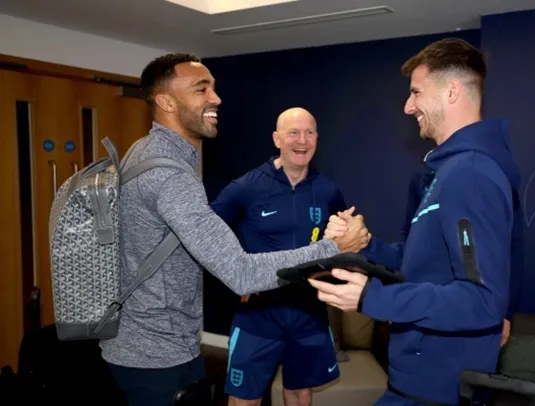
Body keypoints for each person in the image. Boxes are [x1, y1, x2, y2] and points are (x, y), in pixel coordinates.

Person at [99, 53, 369, 406]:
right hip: (154, 354)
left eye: (213, 87)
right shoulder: (172, 176)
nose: (216, 98)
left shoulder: (144, 152)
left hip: (155, 344)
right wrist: (333, 247)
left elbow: (203, 242)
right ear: (165, 101)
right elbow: (241, 272)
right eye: (201, 89)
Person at [309, 38, 523, 405]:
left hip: (438, 390)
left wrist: (372, 297)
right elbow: (420, 261)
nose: (408, 106)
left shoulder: (469, 174)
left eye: (416, 92)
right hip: (416, 382)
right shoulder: (447, 170)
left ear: (452, 91)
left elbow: (483, 299)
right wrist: (366, 245)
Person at [210, 107, 348, 406]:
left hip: (308, 315)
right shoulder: (247, 187)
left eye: (309, 132)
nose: (302, 140)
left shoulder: (327, 191)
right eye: (293, 132)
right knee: (244, 400)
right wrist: (237, 277)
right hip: (258, 316)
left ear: (317, 138)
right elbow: (206, 234)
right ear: (277, 139)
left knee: (299, 394)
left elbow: (344, 238)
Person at [402, 169, 523, 347]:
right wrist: (399, 302)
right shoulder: (423, 177)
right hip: (425, 304)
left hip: (474, 308)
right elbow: (409, 240)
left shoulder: (491, 174)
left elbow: (512, 246)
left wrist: (506, 313)